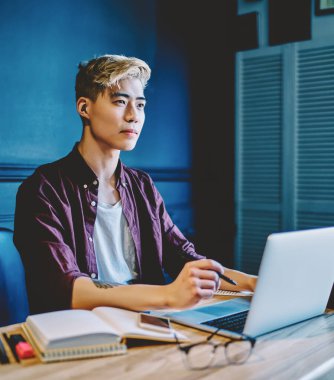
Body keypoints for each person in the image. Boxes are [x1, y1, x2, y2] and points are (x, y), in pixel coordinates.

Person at [14, 54, 256, 315]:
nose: (133, 116)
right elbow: (67, 288)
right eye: (120, 102)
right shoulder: (43, 189)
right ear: (85, 108)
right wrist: (167, 295)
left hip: (148, 322)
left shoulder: (142, 185)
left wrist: (257, 284)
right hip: (83, 331)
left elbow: (186, 259)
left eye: (140, 105)